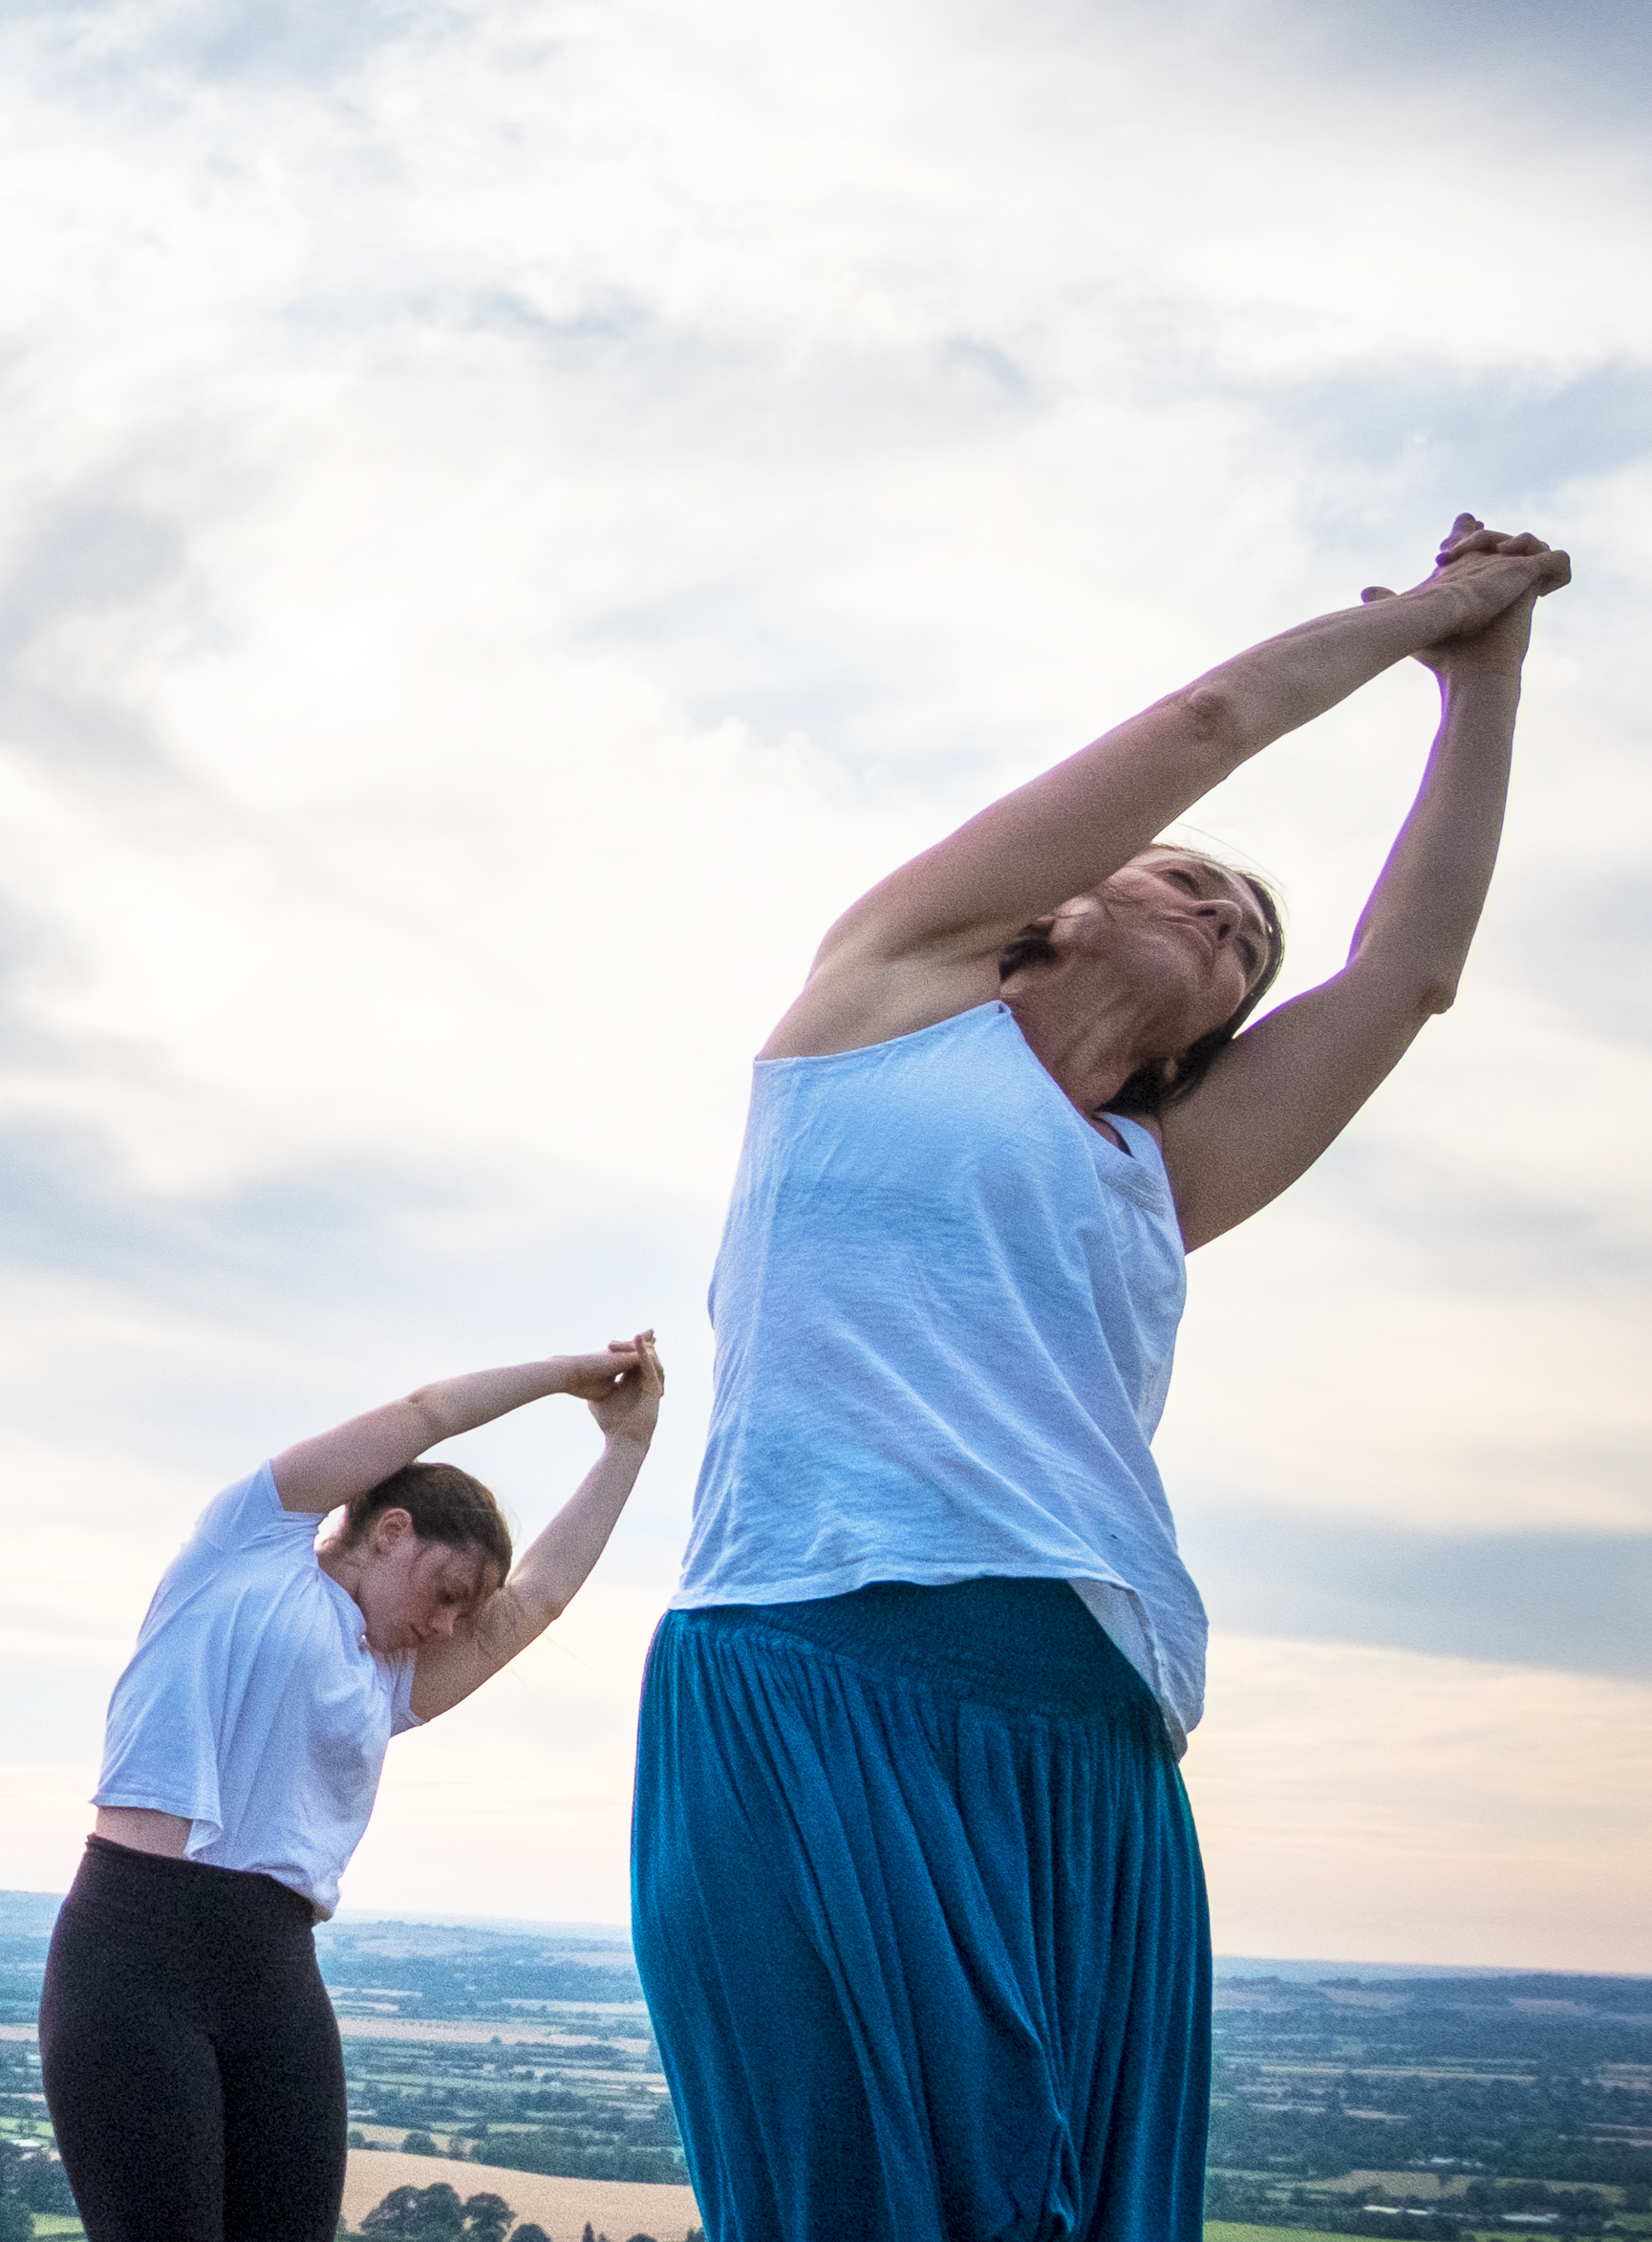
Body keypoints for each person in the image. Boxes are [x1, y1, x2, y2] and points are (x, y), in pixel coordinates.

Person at [634, 513, 1576, 2240]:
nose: (1235, 911)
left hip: (1096, 1725)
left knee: (1090, 2212)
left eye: (1249, 945)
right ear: (1058, 911)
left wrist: (1484, 695)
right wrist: (1437, 613)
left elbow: (1409, 974)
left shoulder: (1164, 1173)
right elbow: (1207, 726)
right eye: (1188, 881)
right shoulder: (884, 996)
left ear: (1215, 1037)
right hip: (820, 1665)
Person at [38, 1339, 666, 2242]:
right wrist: (565, 1377)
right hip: (137, 1957)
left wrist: (626, 1449)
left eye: (461, 1614)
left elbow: (540, 1602)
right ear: (390, 1528)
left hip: (276, 1973)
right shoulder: (248, 1542)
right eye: (446, 1591)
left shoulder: (390, 1677)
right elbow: (425, 1413)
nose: (447, 1623)